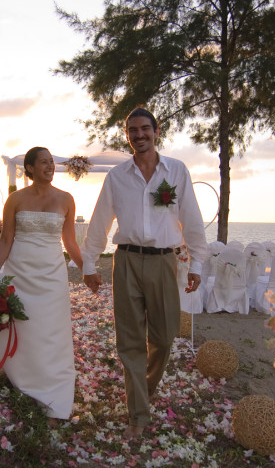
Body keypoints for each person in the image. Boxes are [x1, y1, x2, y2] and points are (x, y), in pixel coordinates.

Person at [82, 107, 208, 441]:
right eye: (132, 130)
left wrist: (196, 264)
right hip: (126, 261)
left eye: (144, 129)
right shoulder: (117, 176)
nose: (139, 135)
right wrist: (88, 263)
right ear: (127, 135)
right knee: (130, 340)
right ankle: (138, 412)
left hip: (164, 261)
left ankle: (143, 387)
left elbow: (192, 219)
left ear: (156, 130)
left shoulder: (176, 171)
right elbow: (100, 221)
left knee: (164, 338)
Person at [0, 147, 84, 424]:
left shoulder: (66, 199)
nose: (50, 166)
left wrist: (87, 268)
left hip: (52, 273)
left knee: (51, 330)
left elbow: (70, 242)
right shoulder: (15, 200)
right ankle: (21, 378)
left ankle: (54, 388)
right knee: (23, 325)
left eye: (52, 162)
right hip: (20, 272)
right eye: (44, 162)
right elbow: (6, 240)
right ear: (29, 168)